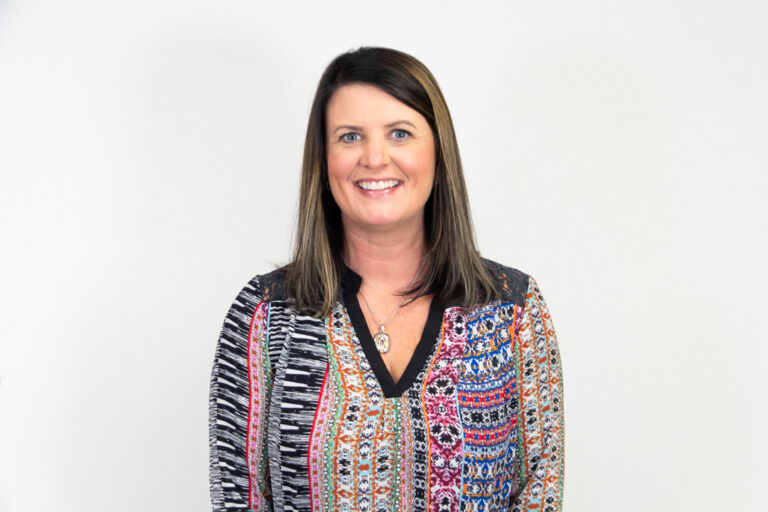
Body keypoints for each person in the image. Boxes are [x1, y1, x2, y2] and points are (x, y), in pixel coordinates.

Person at [209, 47, 564, 512]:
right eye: (350, 136)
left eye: (400, 133)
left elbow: (540, 493)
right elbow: (238, 499)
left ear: (437, 151)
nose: (375, 158)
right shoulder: (266, 316)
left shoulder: (511, 310)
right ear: (323, 159)